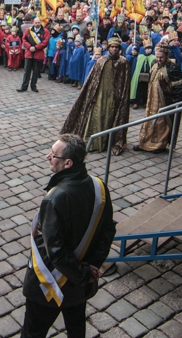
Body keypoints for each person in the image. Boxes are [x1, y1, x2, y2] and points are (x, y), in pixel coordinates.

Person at [21, 134, 115, 338]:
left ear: (68, 163)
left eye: (53, 155)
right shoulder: (100, 187)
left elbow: (55, 252)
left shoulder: (54, 199)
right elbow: (107, 232)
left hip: (49, 286)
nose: (48, 157)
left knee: (33, 332)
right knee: (76, 330)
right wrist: (91, 267)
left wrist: (82, 273)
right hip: (79, 287)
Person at [60, 38, 131, 155]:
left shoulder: (123, 62)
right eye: (112, 47)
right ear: (108, 48)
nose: (114, 49)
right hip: (100, 94)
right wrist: (92, 94)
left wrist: (121, 96)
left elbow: (125, 82)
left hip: (114, 96)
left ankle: (108, 141)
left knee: (111, 117)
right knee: (98, 116)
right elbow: (93, 80)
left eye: (116, 47)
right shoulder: (101, 61)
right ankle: (96, 142)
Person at [134, 41, 182, 153]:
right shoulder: (154, 64)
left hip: (163, 102)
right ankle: (144, 142)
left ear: (167, 55)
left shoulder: (172, 68)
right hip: (151, 100)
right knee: (149, 121)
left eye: (161, 57)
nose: (159, 60)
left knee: (160, 123)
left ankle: (159, 145)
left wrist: (172, 99)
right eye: (157, 57)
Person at [18, 17, 49, 93]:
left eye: (39, 22)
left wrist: (35, 47)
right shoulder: (28, 30)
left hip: (38, 54)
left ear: (40, 22)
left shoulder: (45, 31)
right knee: (27, 71)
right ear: (33, 22)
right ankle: (24, 87)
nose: (37, 24)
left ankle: (33, 86)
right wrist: (29, 47)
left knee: (36, 71)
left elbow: (45, 42)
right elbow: (24, 39)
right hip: (29, 53)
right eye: (36, 22)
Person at [129, 40, 155, 109]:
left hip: (148, 75)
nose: (148, 50)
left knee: (146, 89)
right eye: (147, 49)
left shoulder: (153, 57)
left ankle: (145, 102)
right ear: (144, 49)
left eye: (150, 49)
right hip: (140, 75)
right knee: (138, 88)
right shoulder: (140, 56)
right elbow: (137, 65)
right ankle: (136, 102)